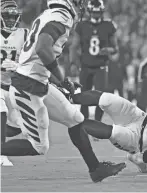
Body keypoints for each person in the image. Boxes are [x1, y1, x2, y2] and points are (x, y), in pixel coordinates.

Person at [4, 0, 125, 182]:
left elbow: (39, 59)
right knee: (39, 147)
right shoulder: (61, 16)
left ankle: (95, 169)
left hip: (38, 82)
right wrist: (62, 79)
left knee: (75, 118)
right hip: (27, 87)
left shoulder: (50, 14)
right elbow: (43, 49)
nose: (82, 6)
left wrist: (60, 82)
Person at [69, 0, 118, 121]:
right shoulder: (82, 26)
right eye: (94, 13)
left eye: (98, 13)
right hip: (85, 66)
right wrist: (73, 63)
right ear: (90, 12)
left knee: (100, 97)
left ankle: (97, 123)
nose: (96, 15)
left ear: (101, 12)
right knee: (84, 96)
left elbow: (115, 49)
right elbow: (74, 46)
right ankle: (84, 123)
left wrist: (109, 50)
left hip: (101, 66)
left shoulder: (108, 25)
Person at [0, 0, 29, 166]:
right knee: (1, 109)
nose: (10, 19)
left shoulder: (24, 34)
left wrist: (19, 66)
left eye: (13, 16)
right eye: (6, 16)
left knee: (20, 126)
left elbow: (33, 59)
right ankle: (1, 153)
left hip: (14, 87)